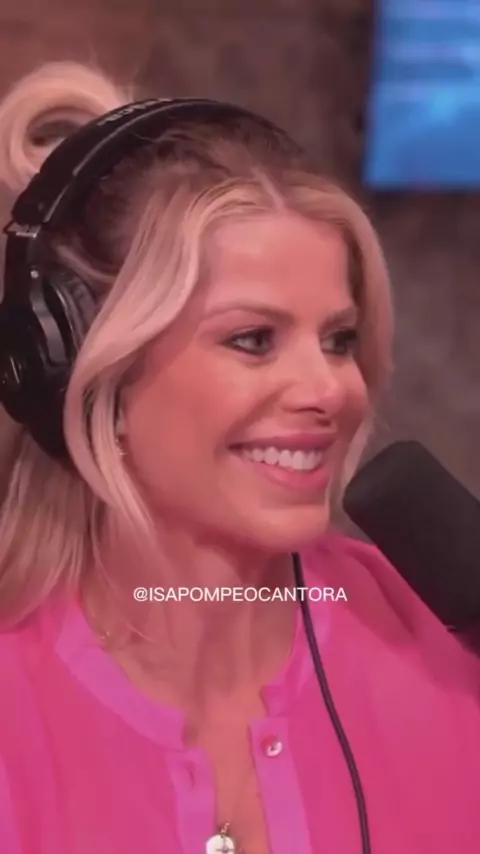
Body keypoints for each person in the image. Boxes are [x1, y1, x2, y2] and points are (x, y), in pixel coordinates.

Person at [0, 61, 479, 854]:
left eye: (339, 340)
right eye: (253, 339)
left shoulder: (442, 637)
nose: (330, 388)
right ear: (92, 372)